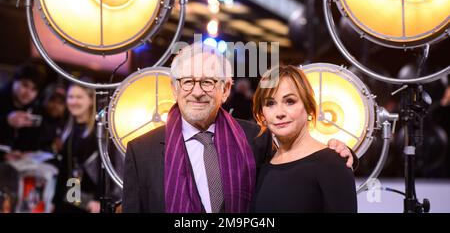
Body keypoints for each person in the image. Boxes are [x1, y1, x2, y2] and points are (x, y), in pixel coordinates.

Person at [122, 42, 355, 213]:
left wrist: (341, 153)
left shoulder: (255, 138)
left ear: (225, 90)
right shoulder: (142, 151)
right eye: (188, 81)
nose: (197, 91)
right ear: (174, 89)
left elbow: (298, 170)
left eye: (207, 82)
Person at [251, 65, 357, 212]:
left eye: (290, 101)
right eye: (270, 103)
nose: (280, 113)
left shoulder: (332, 163)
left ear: (308, 106)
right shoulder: (261, 166)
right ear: (262, 114)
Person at [53, 82, 100, 213]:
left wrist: (97, 200)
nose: (73, 101)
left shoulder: (99, 132)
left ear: (91, 100)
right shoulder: (68, 128)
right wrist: (54, 201)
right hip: (72, 195)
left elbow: (106, 170)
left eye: (79, 97)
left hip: (91, 202)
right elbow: (65, 168)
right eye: (70, 97)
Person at [0, 62, 47, 161]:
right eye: (25, 85)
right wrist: (6, 120)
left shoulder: (34, 110)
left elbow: (33, 145)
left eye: (34, 89)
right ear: (14, 81)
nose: (28, 93)